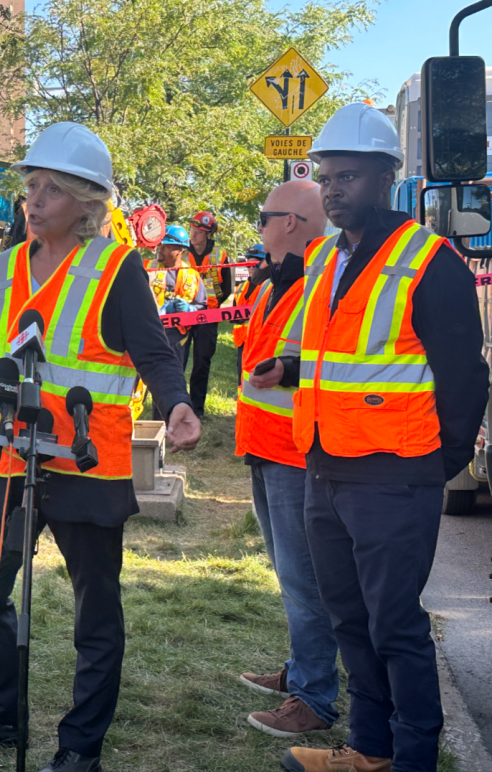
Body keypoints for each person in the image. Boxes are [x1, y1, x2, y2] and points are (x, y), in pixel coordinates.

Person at [0, 121, 201, 772]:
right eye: (31, 185)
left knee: (94, 609)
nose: (35, 198)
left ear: (87, 201)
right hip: (5, 451)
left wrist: (179, 404)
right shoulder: (5, 265)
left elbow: (154, 353)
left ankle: (81, 747)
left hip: (86, 460)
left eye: (51, 188)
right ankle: (2, 708)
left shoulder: (115, 266)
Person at [251, 103, 489, 772]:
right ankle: (369, 749)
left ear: (386, 176)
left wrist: (435, 466)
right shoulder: (325, 257)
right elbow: (344, 355)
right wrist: (290, 370)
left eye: (348, 177)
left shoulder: (428, 261)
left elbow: (466, 378)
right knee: (350, 621)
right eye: (326, 177)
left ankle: (413, 758)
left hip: (395, 475)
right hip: (326, 468)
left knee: (395, 628)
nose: (333, 190)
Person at [234, 181, 339, 740]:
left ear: (292, 222)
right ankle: (303, 673)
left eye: (263, 216)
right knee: (290, 575)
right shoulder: (279, 282)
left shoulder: (316, 283)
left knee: (304, 583)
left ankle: (315, 698)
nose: (259, 226)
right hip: (267, 448)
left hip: (294, 454)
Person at [149, 225, 206, 420]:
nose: (161, 249)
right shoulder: (148, 267)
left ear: (179, 250)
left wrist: (190, 310)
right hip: (148, 333)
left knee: (167, 383)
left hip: (176, 339)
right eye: (160, 245)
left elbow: (202, 308)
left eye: (166, 246)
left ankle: (161, 426)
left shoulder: (192, 276)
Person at [183, 210, 231, 417]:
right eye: (192, 229)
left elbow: (227, 287)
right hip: (183, 314)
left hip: (208, 316)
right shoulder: (182, 253)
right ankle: (177, 405)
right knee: (177, 360)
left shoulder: (220, 256)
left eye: (199, 231)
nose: (193, 234)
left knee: (202, 361)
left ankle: (197, 409)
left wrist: (212, 305)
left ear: (209, 234)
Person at [231, 243, 269, 381]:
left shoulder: (270, 287)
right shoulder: (241, 287)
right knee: (241, 377)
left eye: (255, 264)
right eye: (248, 264)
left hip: (260, 341)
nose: (250, 268)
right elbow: (234, 310)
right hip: (242, 340)